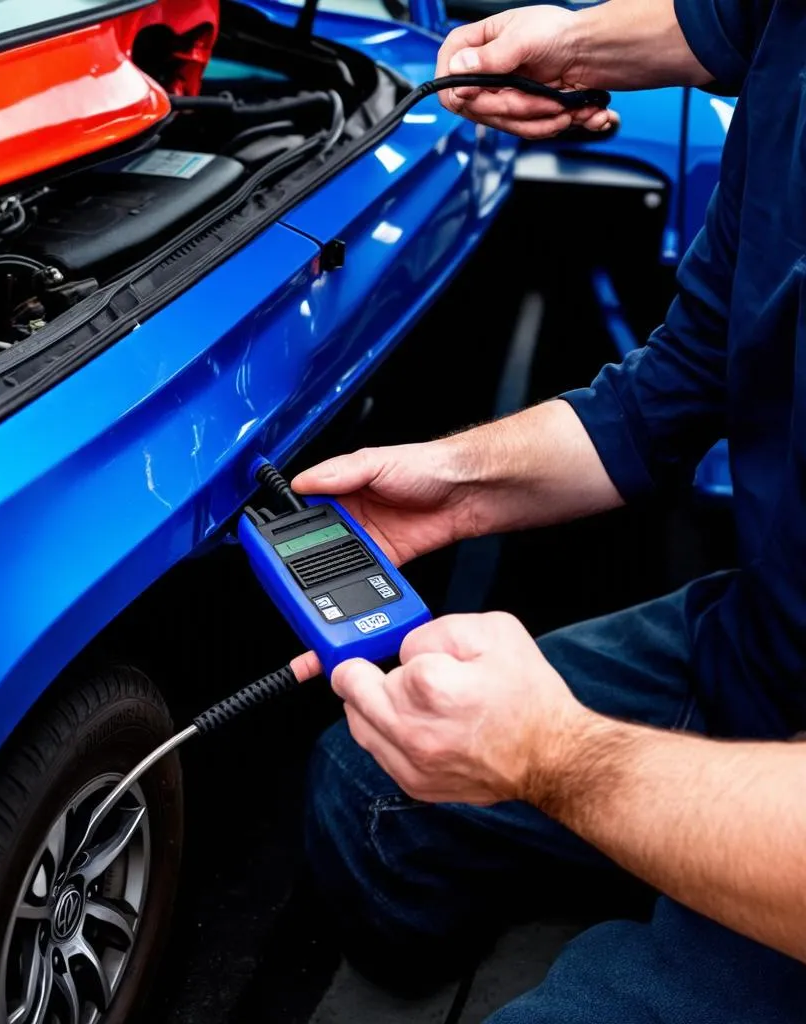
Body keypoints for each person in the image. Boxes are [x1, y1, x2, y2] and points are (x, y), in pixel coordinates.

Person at [288, 1, 806, 1020]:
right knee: (366, 791)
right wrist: (455, 484)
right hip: (763, 650)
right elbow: (678, 381)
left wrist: (554, 757)